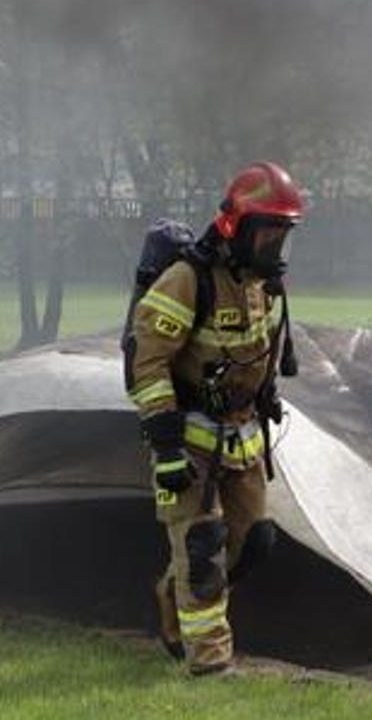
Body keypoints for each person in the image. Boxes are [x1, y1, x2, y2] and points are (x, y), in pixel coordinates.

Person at [126, 162, 301, 676]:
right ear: (237, 228)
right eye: (269, 234)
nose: (276, 248)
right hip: (187, 442)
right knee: (203, 552)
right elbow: (149, 361)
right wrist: (164, 445)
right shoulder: (189, 281)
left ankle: (172, 591)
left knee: (253, 544)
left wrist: (264, 390)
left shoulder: (259, 285)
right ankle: (210, 664)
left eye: (283, 236)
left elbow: (259, 349)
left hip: (243, 439)